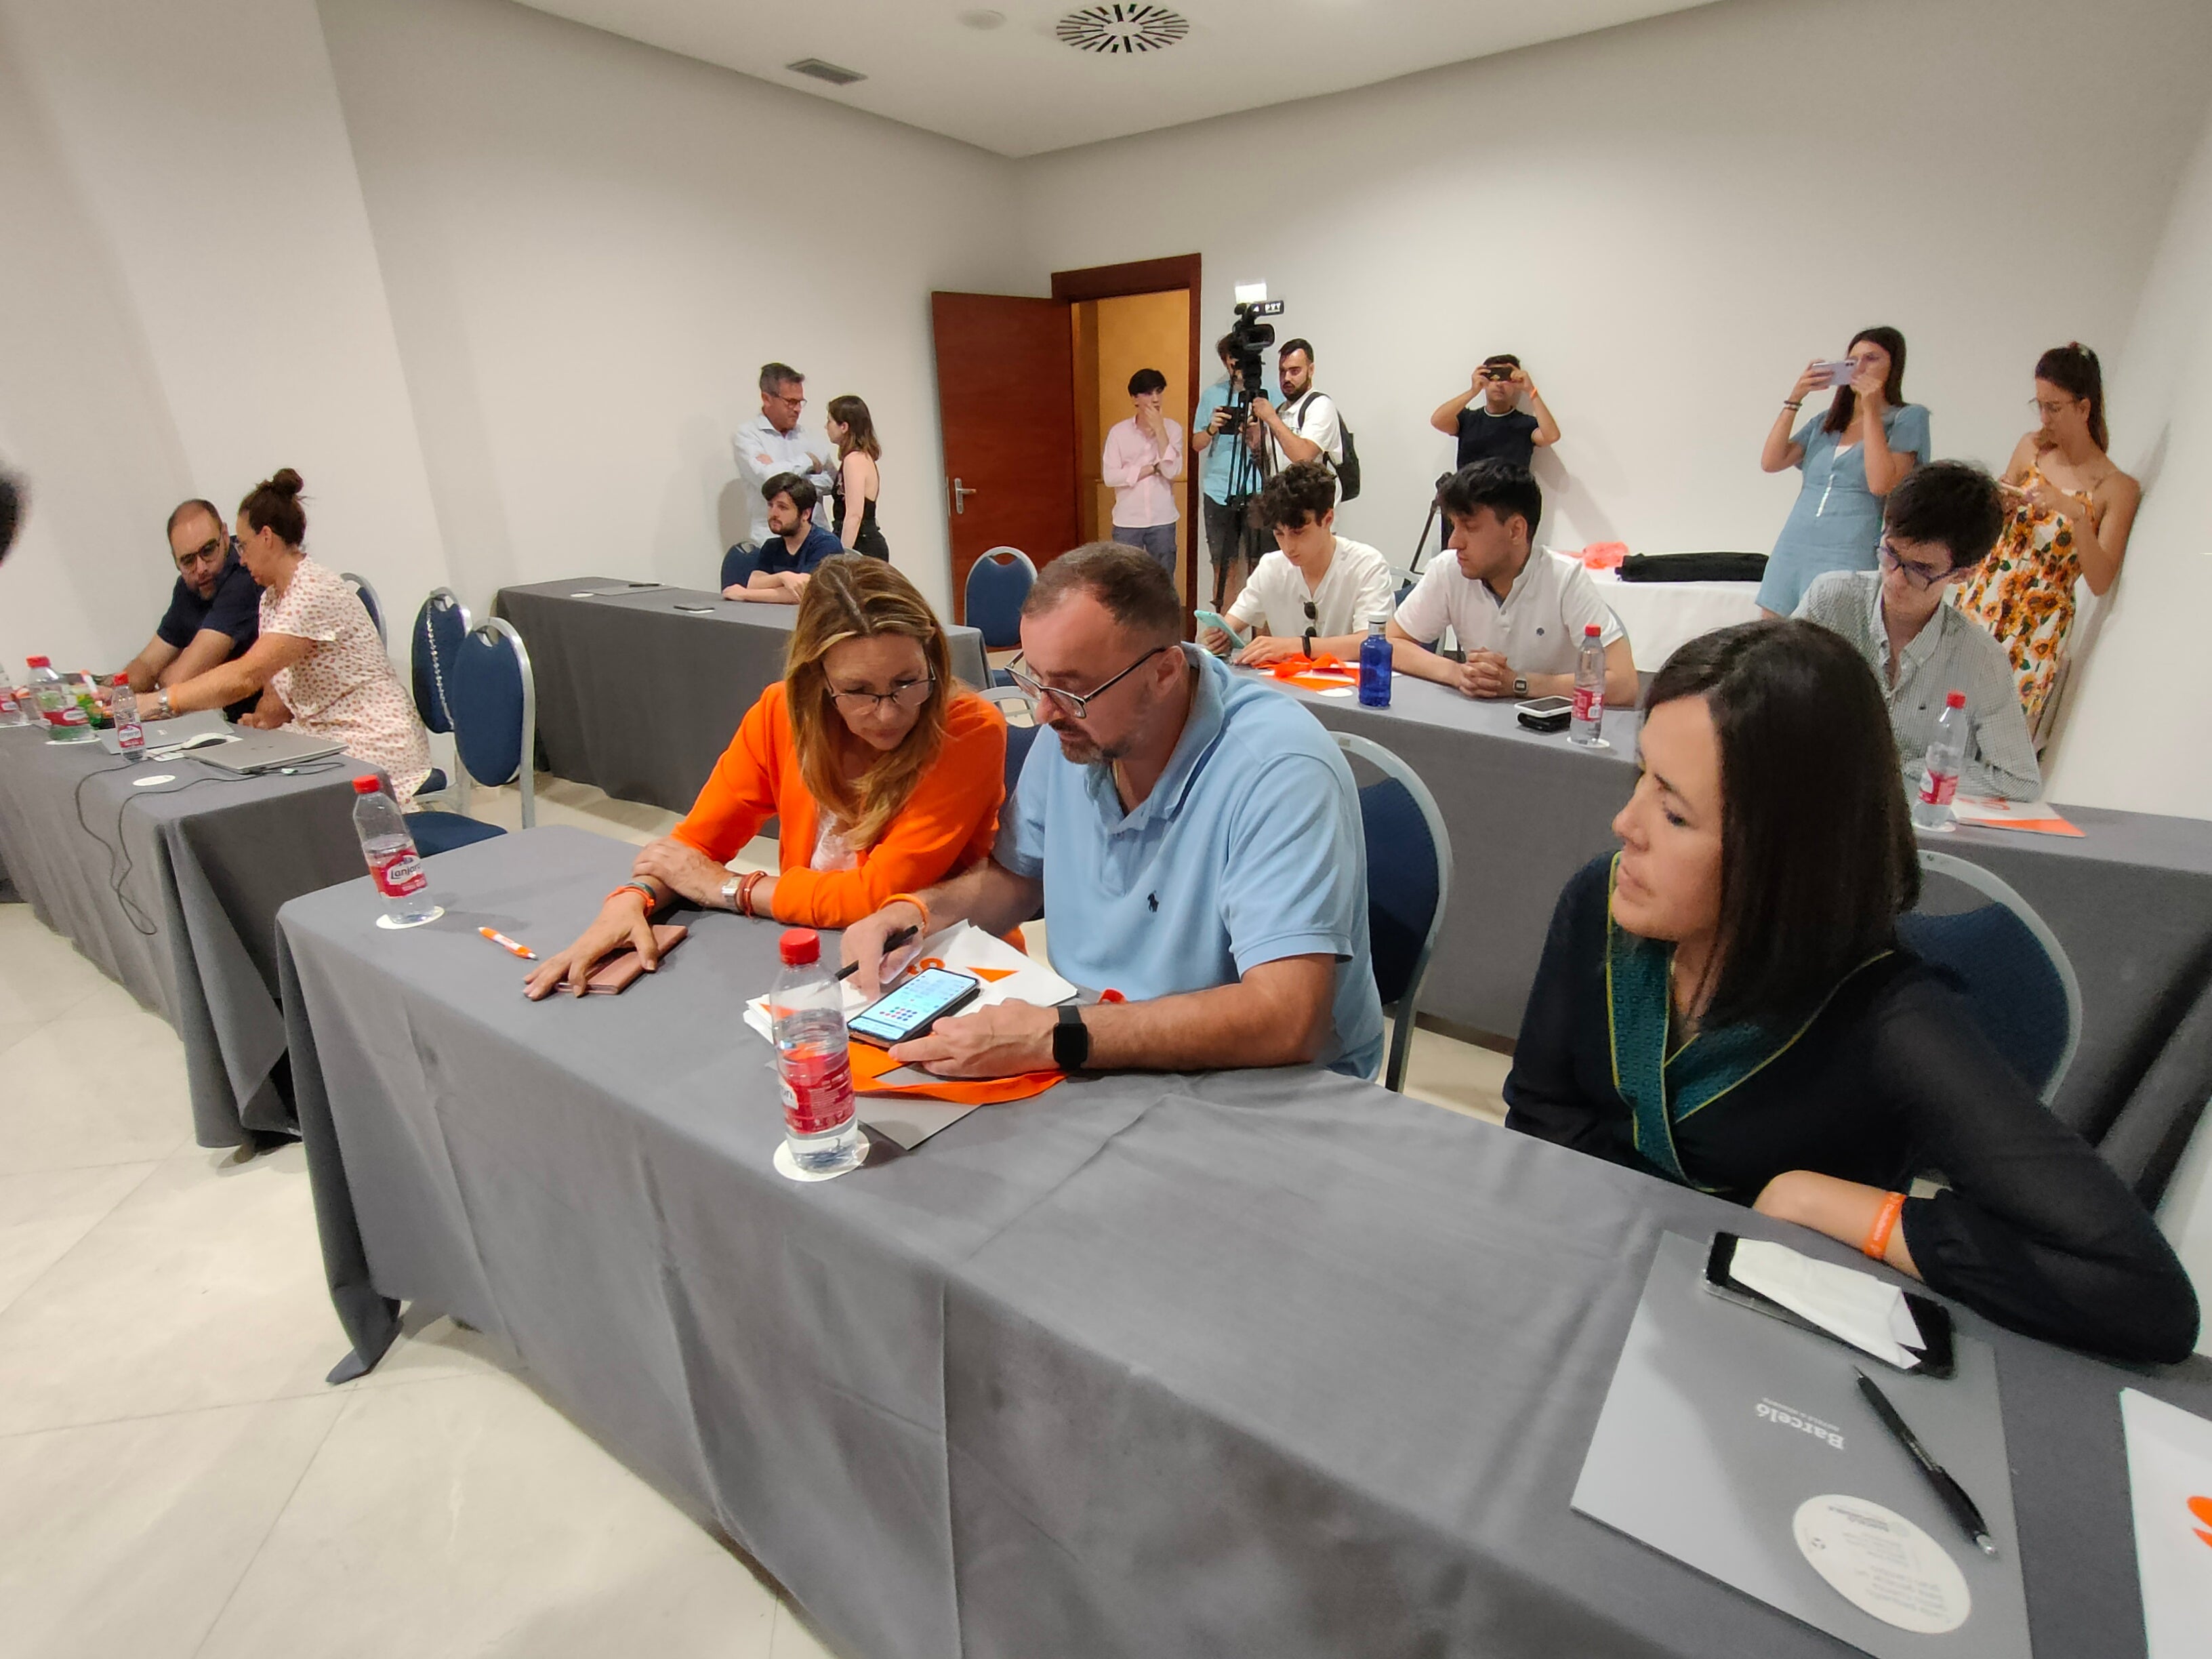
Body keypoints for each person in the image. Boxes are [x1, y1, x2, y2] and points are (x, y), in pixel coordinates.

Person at [1502, 621, 2197, 1362]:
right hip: (1591, 1291)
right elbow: (1542, 1110)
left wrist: (1834, 1205)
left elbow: (2139, 1293)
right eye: (1641, 777)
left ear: (1784, 855)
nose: (1626, 825)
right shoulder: (1602, 906)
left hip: (1759, 1346)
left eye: (1675, 813)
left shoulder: (1888, 1018)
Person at [839, 542, 1385, 1082]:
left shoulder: (1279, 770)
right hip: (1102, 1043)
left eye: (1073, 689)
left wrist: (1056, 1036)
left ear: (1166, 672)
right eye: (1035, 679)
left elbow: (1287, 1019)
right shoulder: (1076, 733)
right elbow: (1015, 880)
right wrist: (915, 915)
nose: (1045, 712)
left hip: (1262, 1083)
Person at [527, 556, 1008, 998]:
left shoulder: (965, 728)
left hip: (943, 959)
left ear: (932, 659)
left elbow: (874, 895)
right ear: (817, 678)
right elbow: (694, 847)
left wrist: (729, 888)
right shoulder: (780, 713)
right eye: (858, 690)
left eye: (907, 682)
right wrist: (633, 898)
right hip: (817, 952)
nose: (886, 714)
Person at [150, 470, 432, 800]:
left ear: (266, 537)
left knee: (273, 797)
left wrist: (159, 702)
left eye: (243, 545)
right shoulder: (271, 598)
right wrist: (262, 720)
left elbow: (246, 676)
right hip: (323, 733)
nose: (240, 557)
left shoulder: (311, 591)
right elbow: (275, 696)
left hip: (374, 739)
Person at [1795, 461, 2040, 800]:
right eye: (1890, 554)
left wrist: (1915, 768)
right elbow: (1766, 699)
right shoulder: (1830, 602)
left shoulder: (1980, 660)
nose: (1895, 578)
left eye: (1920, 569)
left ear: (1962, 574)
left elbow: (2020, 781)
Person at [1954, 344, 2142, 733]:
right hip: (1988, 592)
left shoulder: (2116, 487)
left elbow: (2101, 579)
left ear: (2084, 408)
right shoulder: (2032, 448)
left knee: (1995, 730)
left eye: (2054, 407)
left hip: (2038, 622)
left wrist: (2074, 514)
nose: (2044, 418)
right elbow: (1993, 520)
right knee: (1943, 700)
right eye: (2038, 404)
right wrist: (2001, 504)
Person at [1386, 462, 1637, 705]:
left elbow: (1624, 684)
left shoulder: (1564, 578)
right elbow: (1390, 643)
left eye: (1469, 528)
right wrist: (1457, 673)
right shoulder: (1450, 568)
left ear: (1516, 530)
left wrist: (1518, 683)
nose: (1454, 542)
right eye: (1454, 526)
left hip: (1555, 727)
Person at [1757, 327, 1931, 616]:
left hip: (1851, 549)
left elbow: (1881, 483)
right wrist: (1795, 399)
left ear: (1894, 366)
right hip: (1793, 545)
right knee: (1770, 642)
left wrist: (1872, 410)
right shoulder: (1827, 422)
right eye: (1852, 360)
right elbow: (1771, 462)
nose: (1859, 368)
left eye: (1872, 359)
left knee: (1829, 644)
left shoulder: (1908, 418)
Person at [1205, 461, 1395, 665]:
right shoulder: (1271, 567)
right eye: (1279, 533)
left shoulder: (1367, 565)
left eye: (1298, 533)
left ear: (1328, 519)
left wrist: (1297, 647)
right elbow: (1231, 624)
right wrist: (1218, 639)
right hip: (1289, 690)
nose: (1288, 546)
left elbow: (1371, 644)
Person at [115, 499, 264, 721]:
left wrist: (159, 680)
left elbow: (177, 682)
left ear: (224, 535)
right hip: (240, 726)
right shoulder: (190, 587)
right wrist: (114, 692)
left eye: (208, 550)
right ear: (176, 562)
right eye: (188, 561)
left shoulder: (244, 577)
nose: (201, 568)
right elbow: (147, 663)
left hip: (270, 727)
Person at [1190, 335, 1261, 609]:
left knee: (1260, 569)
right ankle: (1224, 638)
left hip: (1258, 488)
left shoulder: (1268, 395)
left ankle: (1262, 643)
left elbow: (1280, 441)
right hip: (1219, 490)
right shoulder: (1212, 395)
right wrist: (1213, 427)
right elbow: (1197, 444)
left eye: (1240, 363)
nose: (1236, 369)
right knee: (1223, 568)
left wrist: (1256, 432)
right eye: (1231, 363)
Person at [731, 362, 833, 546]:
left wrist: (784, 479)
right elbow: (767, 481)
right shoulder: (748, 435)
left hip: (816, 539)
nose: (797, 409)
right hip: (771, 541)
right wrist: (808, 461)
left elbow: (831, 481)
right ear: (767, 398)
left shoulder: (811, 437)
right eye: (791, 402)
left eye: (800, 402)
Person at [1101, 368, 1185, 576]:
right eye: (1148, 393)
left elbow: (1171, 470)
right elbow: (1111, 477)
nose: (1155, 399)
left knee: (1163, 581)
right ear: (1134, 399)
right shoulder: (1119, 433)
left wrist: (1160, 431)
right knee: (1126, 583)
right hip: (1127, 520)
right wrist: (1150, 468)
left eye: (1159, 392)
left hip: (1162, 519)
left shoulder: (1172, 429)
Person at [1429, 354, 1561, 471]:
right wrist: (1473, 391)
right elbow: (1438, 421)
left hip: (1510, 496)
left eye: (1505, 377)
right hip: (1468, 495)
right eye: (1493, 377)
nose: (1499, 384)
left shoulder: (1525, 424)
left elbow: (1551, 436)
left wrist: (1531, 390)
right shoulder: (1468, 419)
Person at [724, 474, 843, 604]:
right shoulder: (772, 546)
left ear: (805, 514)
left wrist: (745, 594)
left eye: (782, 507)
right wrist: (783, 577)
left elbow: (802, 594)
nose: (774, 513)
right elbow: (755, 583)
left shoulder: (826, 544)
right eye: (770, 505)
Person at [1248, 337, 1343, 483]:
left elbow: (1303, 458)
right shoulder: (1280, 411)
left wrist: (1271, 418)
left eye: (1295, 371)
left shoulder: (1321, 405)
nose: (1286, 378)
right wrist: (1256, 440)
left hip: (1313, 503)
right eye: (1282, 371)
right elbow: (1273, 466)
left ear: (1311, 370)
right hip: (1282, 501)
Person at [825, 394, 890, 561]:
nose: (826, 427)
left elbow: (854, 515)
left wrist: (843, 556)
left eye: (830, 421)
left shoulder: (854, 460)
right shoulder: (859, 458)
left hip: (862, 545)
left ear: (844, 426)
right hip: (862, 540)